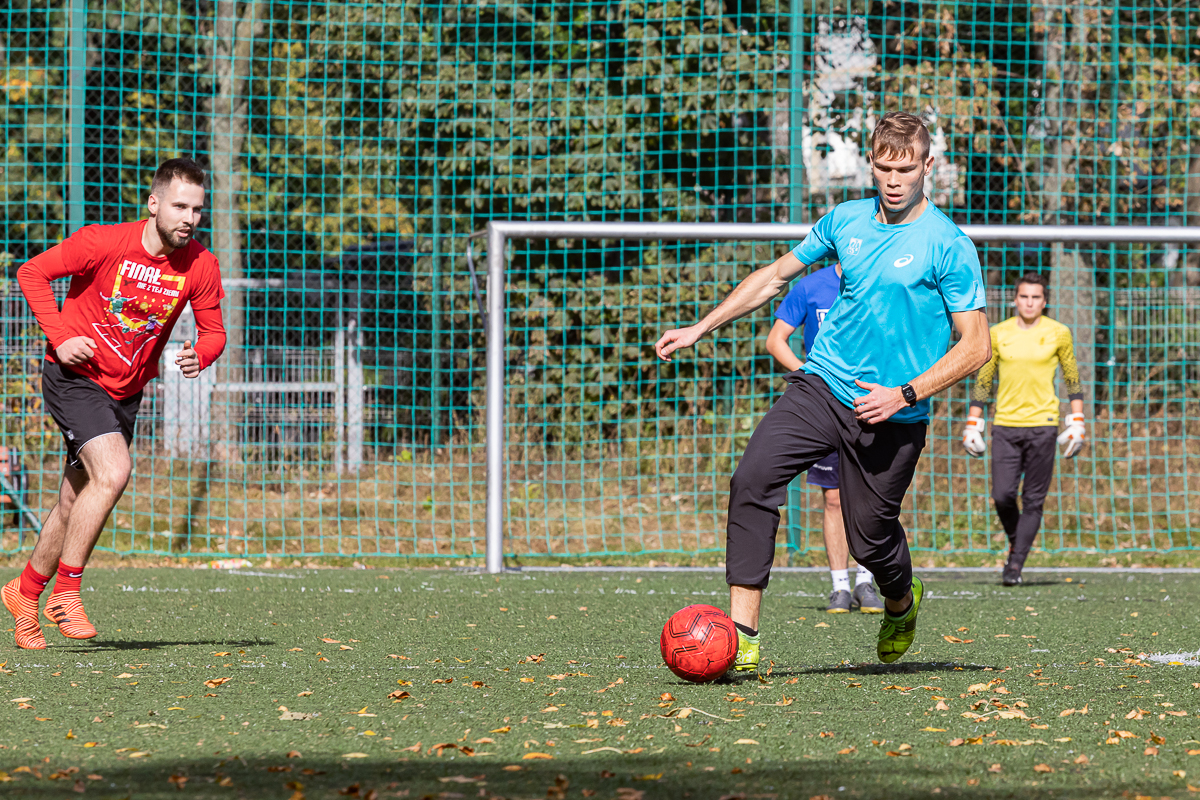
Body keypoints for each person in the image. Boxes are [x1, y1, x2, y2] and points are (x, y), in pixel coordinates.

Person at [655, 111, 990, 671]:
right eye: (883, 167)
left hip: (894, 414)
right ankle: (742, 638)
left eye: (905, 169)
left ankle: (902, 603)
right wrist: (700, 327)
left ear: (927, 167)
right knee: (753, 479)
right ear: (871, 165)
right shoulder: (845, 221)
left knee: (871, 540)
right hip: (822, 384)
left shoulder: (948, 245)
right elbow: (774, 276)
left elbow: (975, 345)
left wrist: (904, 394)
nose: (892, 179)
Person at [4, 157, 227, 650]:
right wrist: (60, 336)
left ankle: (24, 593)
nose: (189, 218)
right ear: (153, 204)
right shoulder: (101, 242)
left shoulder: (201, 266)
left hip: (125, 393)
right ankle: (66, 591)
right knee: (114, 471)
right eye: (179, 206)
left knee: (72, 501)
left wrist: (201, 355)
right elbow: (32, 273)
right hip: (74, 377)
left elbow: (214, 332)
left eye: (197, 209)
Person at [765, 262, 883, 614]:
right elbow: (775, 340)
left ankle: (866, 580)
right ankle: (840, 587)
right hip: (826, 409)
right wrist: (811, 377)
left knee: (872, 499)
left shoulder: (882, 280)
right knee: (833, 499)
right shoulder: (809, 287)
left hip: (871, 405)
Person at [961, 272, 1084, 587]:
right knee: (1002, 495)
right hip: (1005, 426)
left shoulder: (1059, 332)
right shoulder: (998, 333)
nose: (1029, 303)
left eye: (1036, 297)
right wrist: (973, 422)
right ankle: (1020, 540)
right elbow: (984, 381)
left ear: (1045, 301)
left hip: (1043, 427)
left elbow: (1072, 377)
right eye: (1024, 296)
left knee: (1033, 501)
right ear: (1015, 299)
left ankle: (1014, 565)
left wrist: (1077, 420)